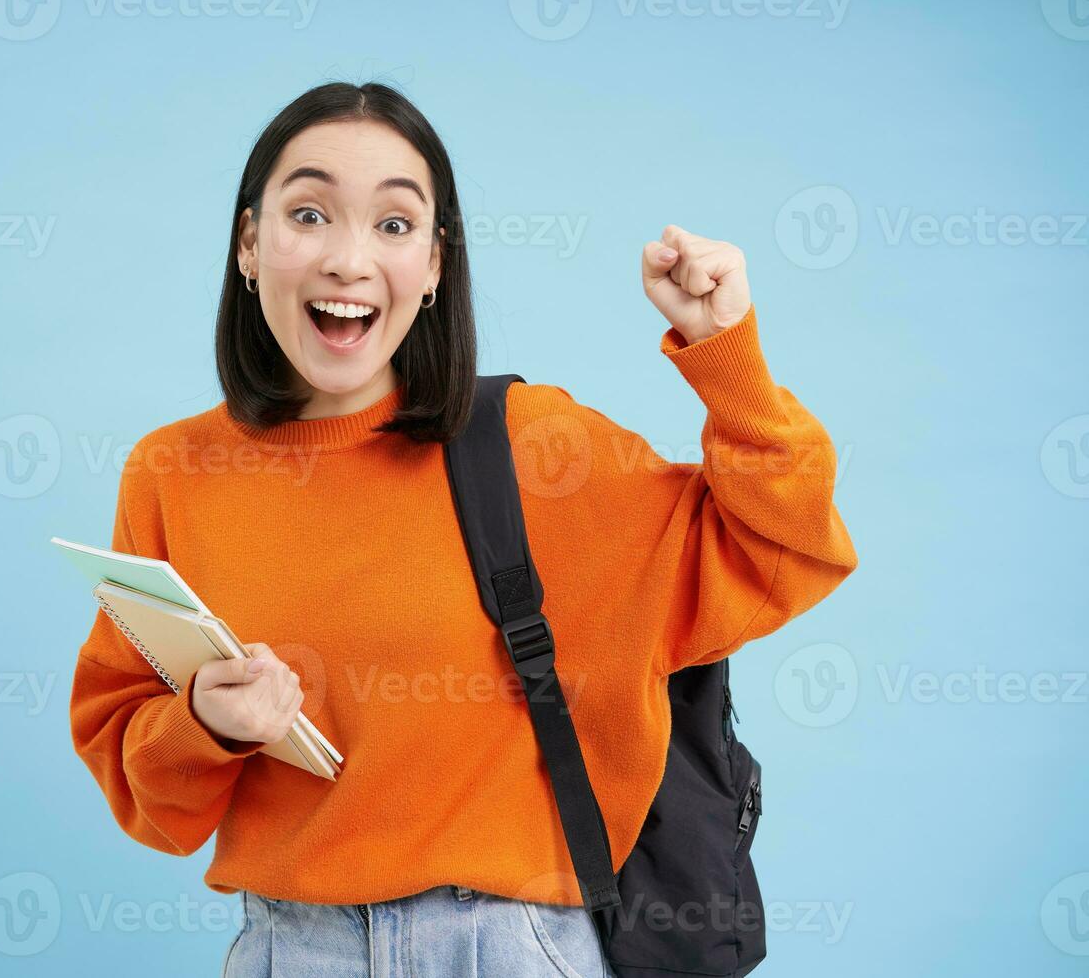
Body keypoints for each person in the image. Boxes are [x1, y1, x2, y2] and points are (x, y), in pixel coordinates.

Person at [69, 81, 858, 978]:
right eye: (309, 214)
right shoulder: (174, 473)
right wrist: (207, 720)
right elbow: (144, 789)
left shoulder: (532, 446)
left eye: (395, 225)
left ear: (437, 265)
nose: (348, 259)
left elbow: (784, 548)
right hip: (290, 951)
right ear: (250, 244)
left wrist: (728, 354)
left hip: (511, 949)